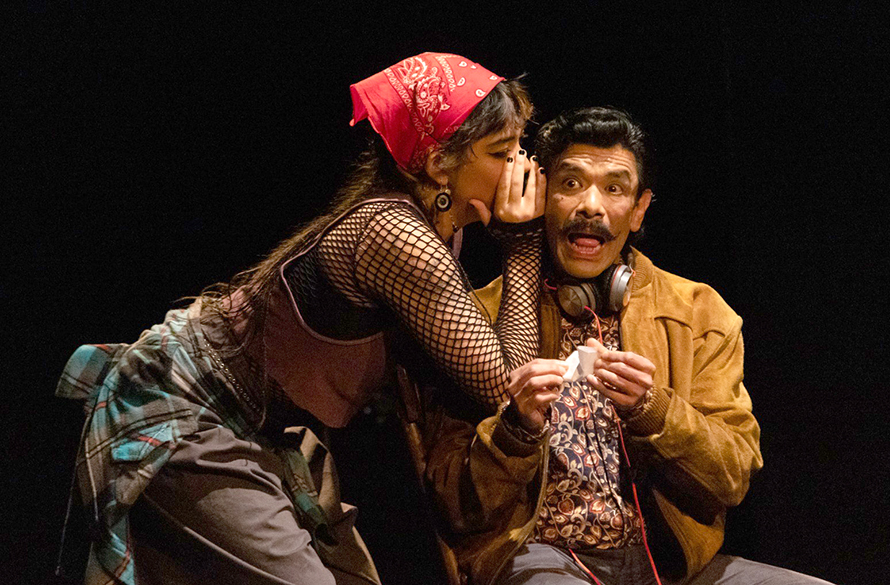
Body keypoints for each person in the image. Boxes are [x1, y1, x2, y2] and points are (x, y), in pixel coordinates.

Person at [55, 52, 547, 585]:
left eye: (519, 148)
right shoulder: (395, 233)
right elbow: (505, 384)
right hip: (196, 413)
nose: (520, 168)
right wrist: (522, 243)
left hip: (265, 431)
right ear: (436, 162)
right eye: (501, 152)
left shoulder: (432, 226)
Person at [424, 106, 833, 584]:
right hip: (540, 557)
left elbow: (733, 475)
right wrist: (515, 429)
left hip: (670, 567)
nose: (590, 206)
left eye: (614, 189)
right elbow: (453, 503)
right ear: (542, 195)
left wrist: (655, 411)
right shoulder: (476, 319)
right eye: (571, 183)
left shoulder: (697, 311)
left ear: (639, 210)